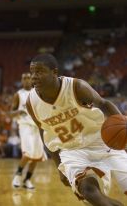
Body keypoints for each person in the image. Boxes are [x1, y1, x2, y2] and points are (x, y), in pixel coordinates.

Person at [26, 53, 127, 206]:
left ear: (54, 72)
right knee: (88, 191)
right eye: (32, 72)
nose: (34, 76)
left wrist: (124, 132)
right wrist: (59, 166)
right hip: (72, 151)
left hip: (102, 141)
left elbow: (105, 104)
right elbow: (45, 132)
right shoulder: (31, 103)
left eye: (39, 71)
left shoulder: (76, 87)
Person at [10, 73, 46, 189]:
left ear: (32, 80)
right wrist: (19, 112)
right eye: (23, 78)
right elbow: (11, 113)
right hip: (25, 126)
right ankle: (17, 175)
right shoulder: (18, 95)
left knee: (36, 155)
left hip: (37, 127)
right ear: (21, 81)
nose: (26, 80)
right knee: (28, 152)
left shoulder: (38, 93)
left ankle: (27, 180)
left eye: (28, 78)